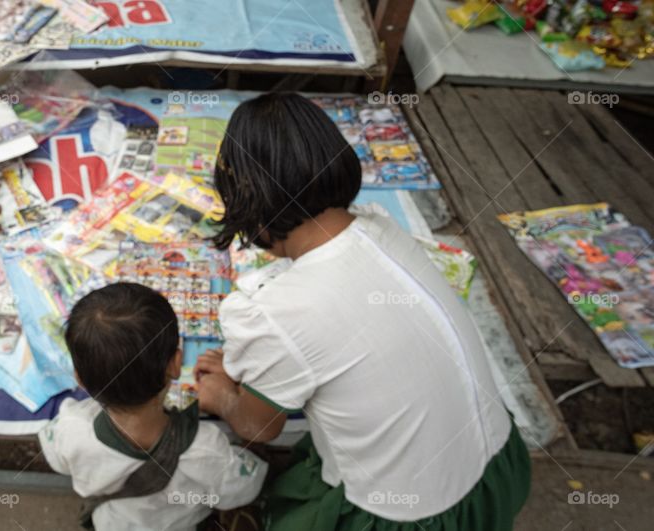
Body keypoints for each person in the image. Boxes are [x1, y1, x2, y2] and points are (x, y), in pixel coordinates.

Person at [195, 92, 530, 530]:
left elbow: (260, 429)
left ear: (248, 206)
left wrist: (222, 395)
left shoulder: (275, 312)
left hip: (407, 516)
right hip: (498, 469)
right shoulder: (382, 228)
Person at [40, 282, 267, 531]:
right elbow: (245, 488)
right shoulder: (206, 449)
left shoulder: (70, 427)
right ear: (176, 364)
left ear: (79, 379)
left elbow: (57, 460)